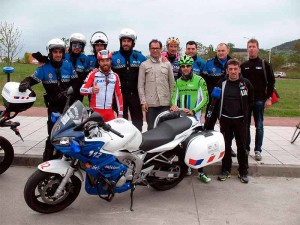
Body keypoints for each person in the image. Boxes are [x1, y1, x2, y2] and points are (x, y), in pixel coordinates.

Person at [18, 38, 79, 161]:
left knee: (69, 135)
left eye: (60, 52)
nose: (58, 55)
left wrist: (70, 90)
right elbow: (32, 79)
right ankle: (47, 163)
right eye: (55, 52)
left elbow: (76, 82)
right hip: (54, 107)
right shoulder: (44, 68)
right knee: (52, 135)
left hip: (68, 106)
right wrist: (26, 82)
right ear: (50, 53)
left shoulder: (68, 65)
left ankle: (68, 162)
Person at [170, 55, 210, 183]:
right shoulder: (178, 82)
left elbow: (205, 99)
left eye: (188, 66)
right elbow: (173, 98)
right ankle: (185, 168)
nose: (185, 68)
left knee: (199, 146)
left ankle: (201, 172)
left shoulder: (199, 80)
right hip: (182, 120)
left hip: (195, 119)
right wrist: (174, 105)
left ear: (192, 66)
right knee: (182, 145)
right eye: (183, 66)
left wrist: (193, 111)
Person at [216, 59, 254, 183]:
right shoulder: (221, 82)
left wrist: (246, 116)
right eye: (230, 69)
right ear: (227, 70)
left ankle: (243, 171)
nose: (233, 71)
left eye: (235, 69)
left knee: (242, 147)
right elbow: (214, 101)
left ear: (239, 69)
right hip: (225, 120)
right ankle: (226, 170)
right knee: (226, 146)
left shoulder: (246, 83)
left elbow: (251, 101)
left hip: (240, 121)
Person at [241, 39, 275, 161]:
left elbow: (271, 82)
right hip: (246, 100)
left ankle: (258, 150)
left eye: (253, 46)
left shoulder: (265, 64)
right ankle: (246, 148)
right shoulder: (243, 66)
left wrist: (269, 98)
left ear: (258, 48)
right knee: (245, 126)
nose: (251, 49)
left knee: (259, 126)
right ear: (247, 49)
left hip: (260, 100)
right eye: (249, 46)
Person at [202, 43, 236, 157]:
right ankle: (208, 147)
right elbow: (205, 82)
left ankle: (227, 147)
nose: (220, 52)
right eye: (219, 50)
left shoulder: (232, 62)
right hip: (213, 101)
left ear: (228, 51)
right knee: (208, 124)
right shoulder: (209, 63)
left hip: (227, 101)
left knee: (227, 127)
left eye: (223, 50)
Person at [111, 28, 147, 131]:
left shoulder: (140, 57)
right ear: (120, 42)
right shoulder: (113, 57)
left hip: (135, 95)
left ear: (133, 43)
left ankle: (138, 141)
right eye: (124, 41)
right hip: (119, 95)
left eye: (128, 41)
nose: (126, 43)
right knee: (122, 122)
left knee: (138, 121)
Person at [138, 39, 174, 130]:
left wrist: (172, 102)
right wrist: (143, 102)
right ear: (149, 49)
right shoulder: (144, 65)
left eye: (157, 48)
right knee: (151, 128)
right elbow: (140, 85)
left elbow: (172, 84)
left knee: (165, 128)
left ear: (161, 49)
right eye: (152, 48)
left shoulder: (167, 64)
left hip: (165, 103)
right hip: (151, 105)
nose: (155, 50)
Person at [80, 50, 123, 121]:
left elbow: (118, 95)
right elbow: (81, 90)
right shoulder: (93, 74)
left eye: (107, 60)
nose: (105, 63)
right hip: (95, 112)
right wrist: (91, 90)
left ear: (110, 61)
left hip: (109, 113)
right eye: (102, 61)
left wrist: (120, 113)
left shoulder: (115, 76)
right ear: (98, 62)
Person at [64, 33, 90, 101]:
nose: (77, 47)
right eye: (75, 45)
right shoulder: (64, 56)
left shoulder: (86, 59)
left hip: (78, 91)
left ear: (83, 47)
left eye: (80, 45)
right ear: (71, 45)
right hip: (64, 89)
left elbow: (86, 76)